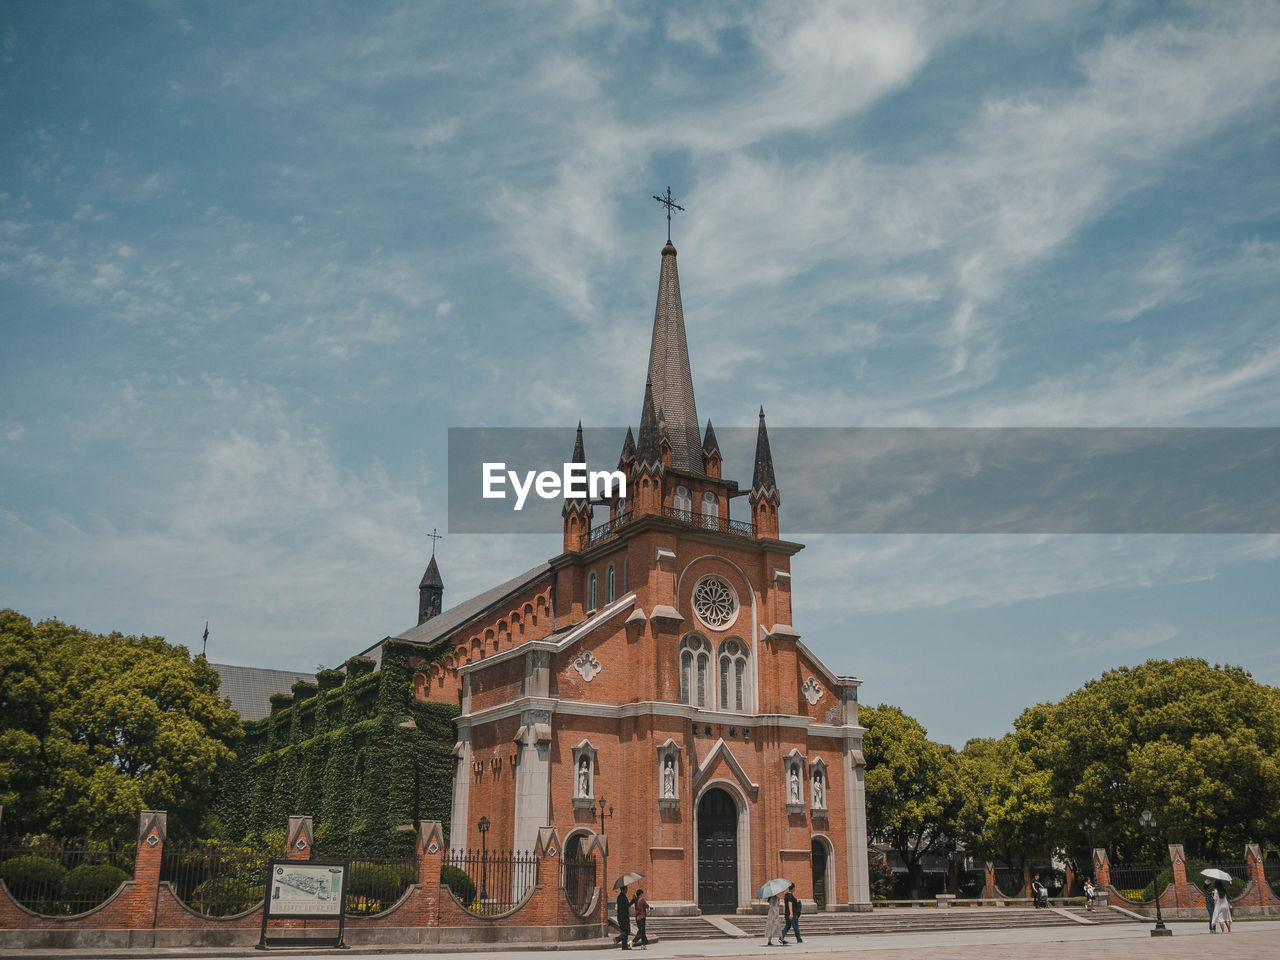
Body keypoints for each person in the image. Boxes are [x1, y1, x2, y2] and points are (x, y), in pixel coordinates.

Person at [614, 884, 631, 949]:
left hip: (620, 916)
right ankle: (617, 939)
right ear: (624, 889)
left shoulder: (619, 897)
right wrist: (633, 901)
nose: (627, 890)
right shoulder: (623, 897)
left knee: (624, 931)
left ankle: (624, 946)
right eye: (626, 889)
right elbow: (627, 905)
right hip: (624, 917)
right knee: (627, 931)